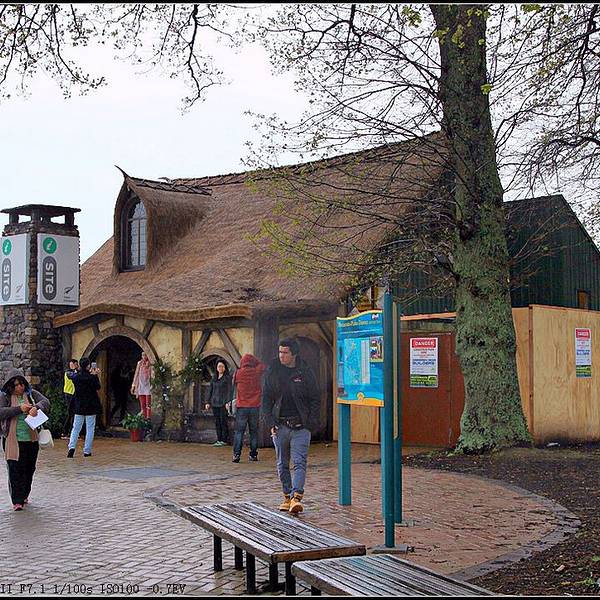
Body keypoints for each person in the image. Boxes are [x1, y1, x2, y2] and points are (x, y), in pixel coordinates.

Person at [261, 337, 320, 514]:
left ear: (294, 354)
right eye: (280, 352)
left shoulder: (305, 372)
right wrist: (270, 422)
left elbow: (315, 398)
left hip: (301, 426)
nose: (281, 355)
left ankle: (296, 497)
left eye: (285, 352)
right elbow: (266, 399)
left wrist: (310, 423)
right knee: (282, 464)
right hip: (280, 426)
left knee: (299, 462)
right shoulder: (273, 371)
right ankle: (287, 496)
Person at [0, 368, 51, 511]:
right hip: (13, 440)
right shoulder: (5, 398)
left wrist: (36, 407)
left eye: (21, 384)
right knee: (15, 470)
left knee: (29, 469)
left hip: (31, 439)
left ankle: (24, 494)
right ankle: (17, 500)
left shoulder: (31, 394)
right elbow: (1, 412)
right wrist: (19, 409)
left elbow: (45, 402)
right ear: (10, 386)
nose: (19, 387)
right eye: (16, 385)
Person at [231, 353, 266, 463]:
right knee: (254, 432)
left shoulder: (238, 373)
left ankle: (236, 455)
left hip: (242, 406)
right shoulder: (256, 372)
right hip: (254, 406)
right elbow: (262, 365)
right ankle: (253, 454)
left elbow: (233, 384)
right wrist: (255, 361)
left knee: (239, 432)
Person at [66, 357, 102, 458]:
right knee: (90, 428)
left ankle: (71, 448)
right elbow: (98, 387)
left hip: (79, 405)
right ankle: (87, 450)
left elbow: (71, 375)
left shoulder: (76, 377)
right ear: (88, 366)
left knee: (76, 428)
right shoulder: (92, 377)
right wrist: (95, 375)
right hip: (91, 405)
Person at [205, 360, 232, 447]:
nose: (220, 368)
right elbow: (210, 390)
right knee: (217, 422)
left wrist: (228, 401)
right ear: (216, 368)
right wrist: (207, 402)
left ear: (225, 368)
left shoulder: (227, 378)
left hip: (223, 403)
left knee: (223, 421)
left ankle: (224, 440)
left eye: (222, 366)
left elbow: (229, 391)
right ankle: (219, 439)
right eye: (219, 366)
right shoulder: (214, 378)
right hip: (214, 402)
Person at [131, 352, 153, 419]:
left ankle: (148, 419)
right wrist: (133, 385)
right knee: (142, 405)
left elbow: (153, 375)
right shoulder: (139, 363)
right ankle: (144, 418)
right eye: (143, 355)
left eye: (145, 355)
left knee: (148, 405)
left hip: (148, 385)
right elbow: (136, 374)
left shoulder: (150, 364)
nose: (144, 356)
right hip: (140, 385)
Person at [62, 359, 79, 437]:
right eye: (75, 364)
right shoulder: (68, 372)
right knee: (71, 413)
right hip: (69, 394)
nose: (77, 366)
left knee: (72, 414)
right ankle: (66, 432)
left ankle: (68, 432)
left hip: (74, 394)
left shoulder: (76, 372)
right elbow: (74, 376)